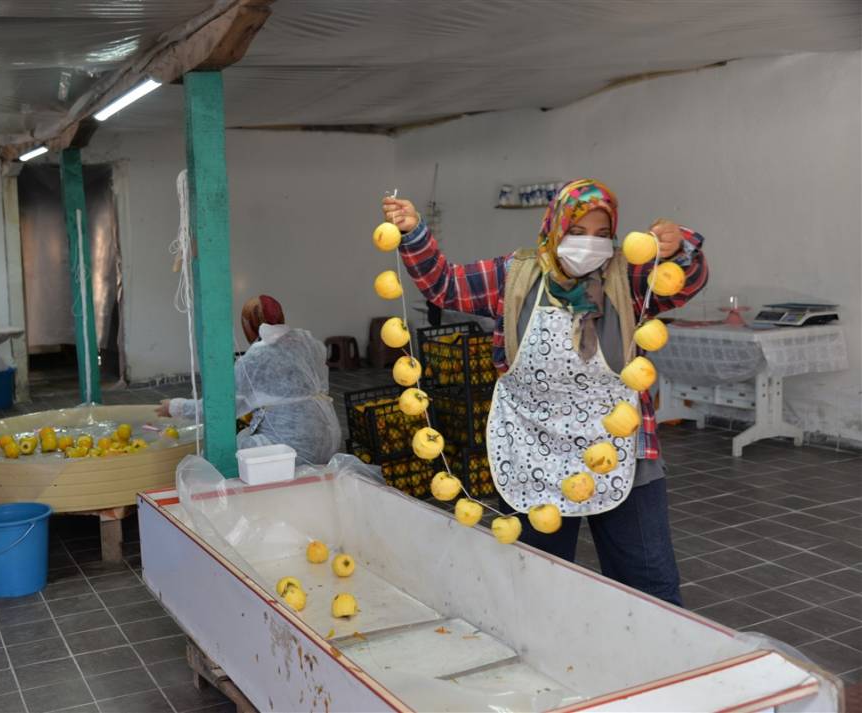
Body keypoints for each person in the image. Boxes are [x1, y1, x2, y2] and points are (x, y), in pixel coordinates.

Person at [383, 179, 708, 605]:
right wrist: (414, 234)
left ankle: (658, 662)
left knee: (649, 581)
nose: (589, 244)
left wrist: (680, 248)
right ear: (554, 227)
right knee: (534, 580)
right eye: (577, 231)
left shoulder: (628, 277)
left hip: (620, 444)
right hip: (533, 445)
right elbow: (445, 285)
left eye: (600, 234)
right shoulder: (515, 275)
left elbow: (684, 282)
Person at [158, 295, 342, 466]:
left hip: (293, 448)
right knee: (245, 437)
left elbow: (223, 407)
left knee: (220, 457)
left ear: (248, 325)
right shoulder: (308, 341)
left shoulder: (257, 357)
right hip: (329, 435)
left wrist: (176, 407)